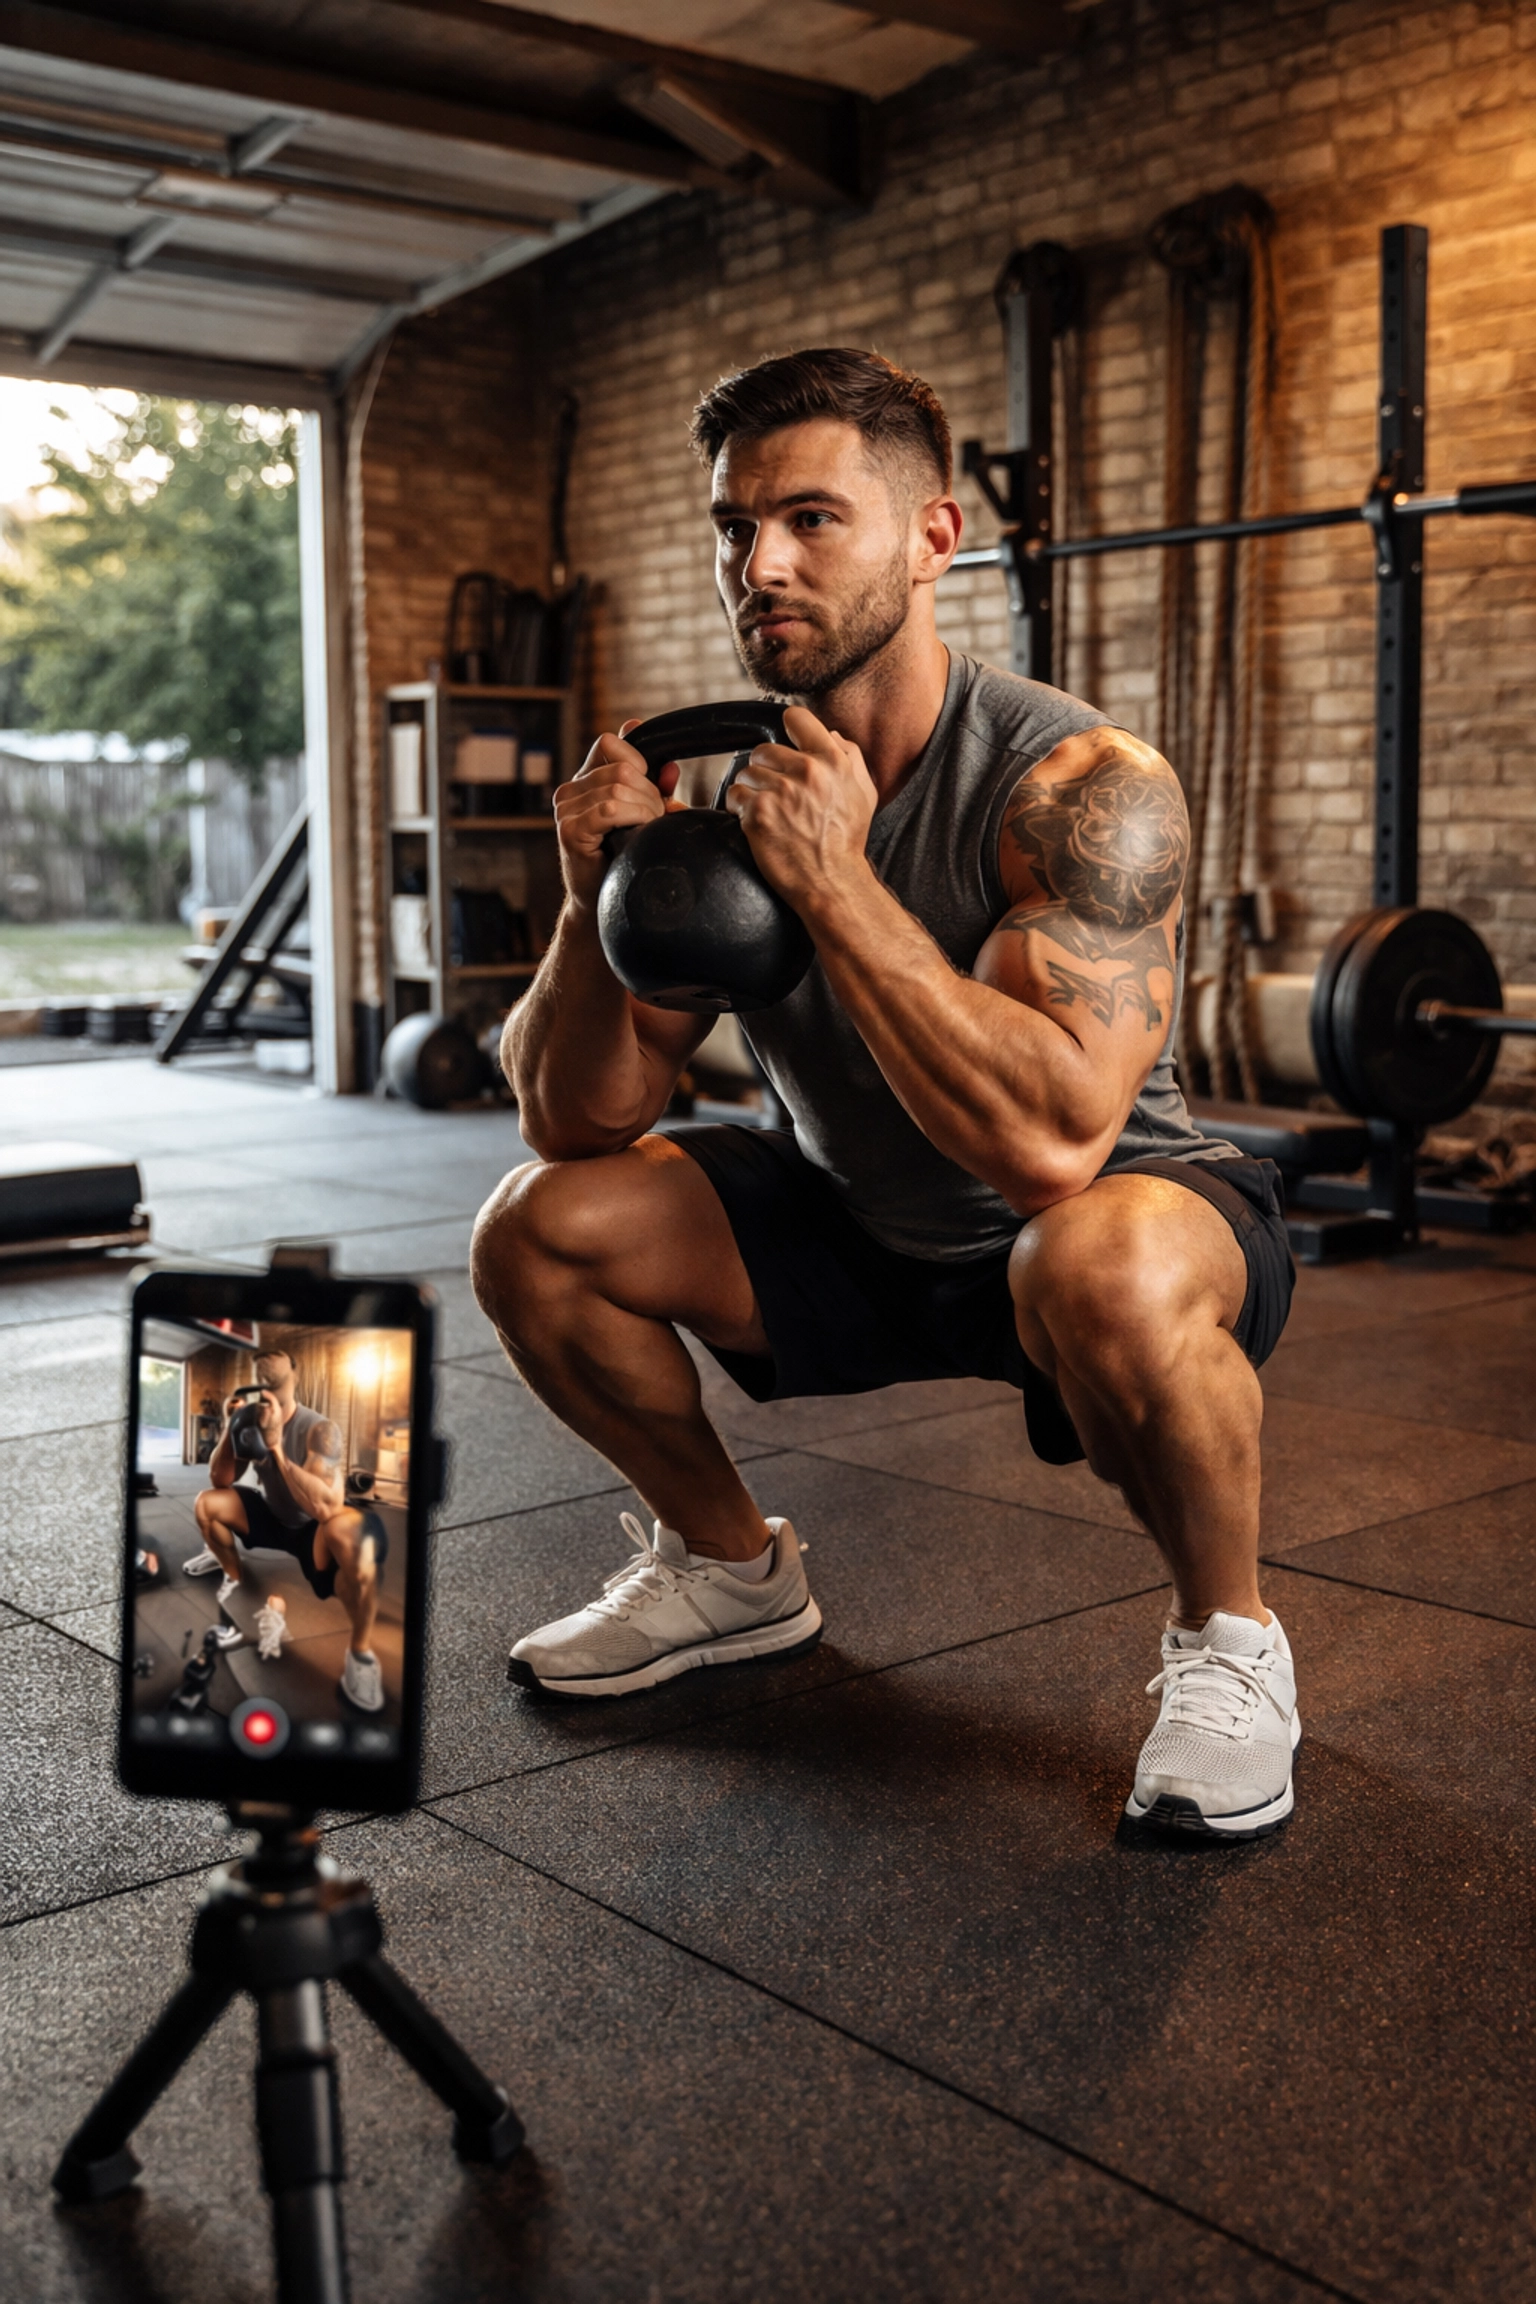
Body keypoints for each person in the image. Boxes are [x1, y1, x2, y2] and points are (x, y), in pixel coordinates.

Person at [471, 347, 1298, 1839]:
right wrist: (591, 891)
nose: (762, 564)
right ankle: (731, 1574)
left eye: (810, 519)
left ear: (933, 537)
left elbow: (1054, 1140)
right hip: (857, 1219)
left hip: (1111, 1215)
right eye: (735, 528)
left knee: (1094, 1258)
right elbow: (574, 1119)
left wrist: (839, 883)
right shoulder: (733, 800)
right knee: (538, 1225)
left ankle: (1232, 1643)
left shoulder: (1080, 780)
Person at [182, 1345, 386, 1713]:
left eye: (276, 1377)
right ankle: (229, 1570)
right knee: (207, 1504)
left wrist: (275, 1448)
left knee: (348, 1534)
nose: (269, 1386)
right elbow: (219, 1478)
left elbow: (323, 1507)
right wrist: (233, 1427)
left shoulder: (320, 1429)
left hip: (312, 1529)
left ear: (295, 1375)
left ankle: (361, 1655)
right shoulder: (249, 1418)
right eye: (263, 1378)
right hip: (272, 1516)